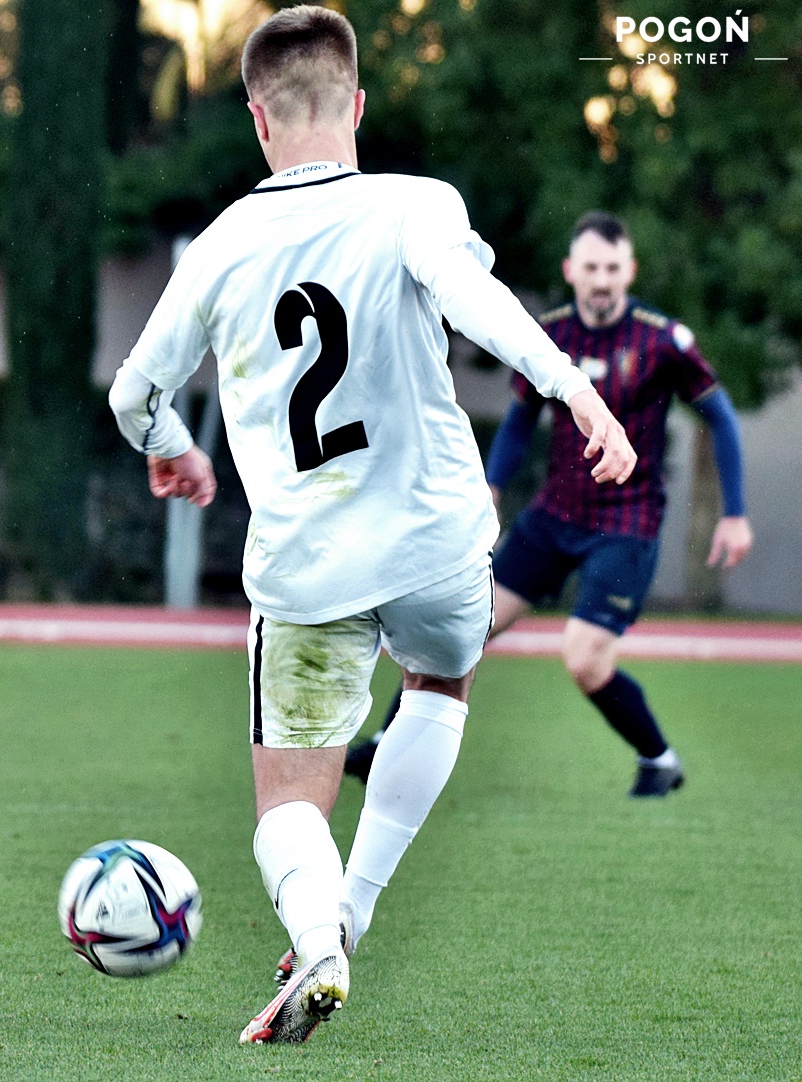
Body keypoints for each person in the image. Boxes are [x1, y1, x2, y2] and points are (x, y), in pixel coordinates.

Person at [107, 6, 635, 1044]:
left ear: (259, 120)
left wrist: (173, 447)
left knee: (287, 804)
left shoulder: (219, 246)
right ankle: (358, 905)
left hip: (307, 570)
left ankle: (319, 935)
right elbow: (475, 299)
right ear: (355, 105)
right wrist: (576, 391)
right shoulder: (414, 203)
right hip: (438, 545)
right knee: (439, 682)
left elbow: (134, 393)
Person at [344, 211, 751, 797]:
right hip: (553, 515)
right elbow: (518, 422)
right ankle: (388, 742)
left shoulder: (663, 340)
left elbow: (721, 417)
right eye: (591, 268)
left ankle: (658, 759)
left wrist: (734, 514)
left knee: (584, 658)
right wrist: (491, 486)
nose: (602, 280)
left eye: (612, 268)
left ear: (629, 271)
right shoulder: (549, 334)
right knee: (463, 628)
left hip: (627, 521)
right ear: (570, 270)